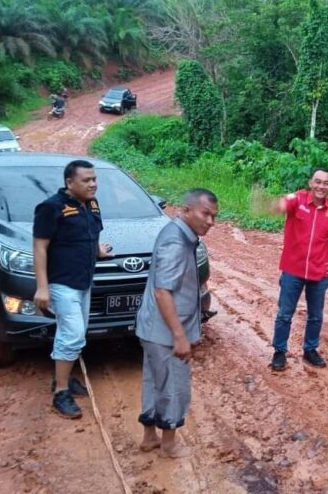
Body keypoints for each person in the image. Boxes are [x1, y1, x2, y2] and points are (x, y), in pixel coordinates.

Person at [136, 189, 218, 458]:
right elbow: (163, 292)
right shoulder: (176, 242)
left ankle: (150, 437)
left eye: (214, 216)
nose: (210, 221)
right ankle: (169, 445)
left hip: (153, 328)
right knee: (173, 385)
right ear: (186, 210)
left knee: (154, 380)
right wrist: (180, 336)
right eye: (205, 213)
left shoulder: (180, 236)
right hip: (165, 331)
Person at [33, 160, 114, 419]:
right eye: (86, 180)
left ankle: (62, 378)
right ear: (70, 183)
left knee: (71, 333)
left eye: (94, 179)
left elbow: (91, 232)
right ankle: (61, 393)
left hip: (83, 281)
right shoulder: (50, 208)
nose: (93, 184)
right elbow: (40, 247)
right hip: (61, 283)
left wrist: (97, 250)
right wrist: (42, 288)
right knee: (74, 335)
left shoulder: (91, 203)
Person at [269, 168, 328, 371]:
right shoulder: (299, 199)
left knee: (316, 315)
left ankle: (310, 349)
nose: (321, 186)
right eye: (318, 182)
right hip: (292, 269)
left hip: (319, 272)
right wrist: (278, 205)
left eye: (326, 183)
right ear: (310, 183)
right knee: (285, 314)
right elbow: (284, 203)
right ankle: (279, 351)